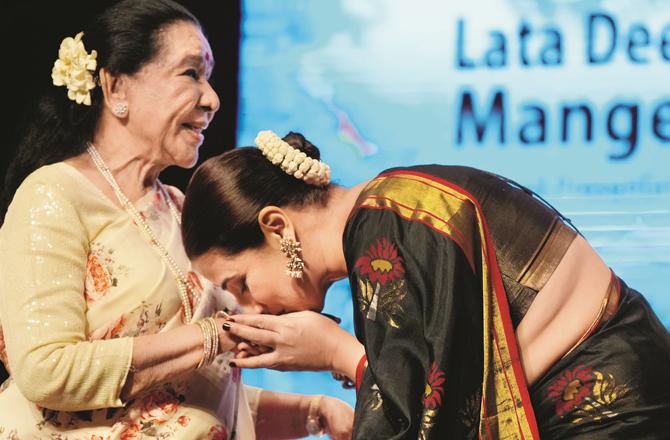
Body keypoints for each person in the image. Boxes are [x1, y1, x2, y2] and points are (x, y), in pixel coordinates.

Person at [0, 3, 353, 438]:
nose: (212, 98)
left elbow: (187, 402)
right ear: (115, 88)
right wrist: (214, 335)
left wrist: (316, 411)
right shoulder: (54, 194)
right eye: (191, 74)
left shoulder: (182, 209)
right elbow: (45, 371)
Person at [181, 129, 670, 439]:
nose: (254, 308)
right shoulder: (391, 208)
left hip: (604, 412)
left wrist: (337, 353)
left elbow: (417, 421)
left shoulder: (386, 228)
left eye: (241, 283)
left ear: (277, 227)